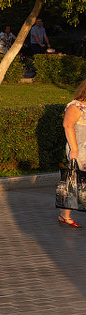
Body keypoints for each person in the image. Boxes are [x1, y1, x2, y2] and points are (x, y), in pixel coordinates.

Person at [59, 80, 86, 228]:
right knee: (76, 182)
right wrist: (74, 149)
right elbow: (67, 125)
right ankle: (65, 215)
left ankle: (65, 215)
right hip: (80, 148)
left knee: (75, 183)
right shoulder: (76, 106)